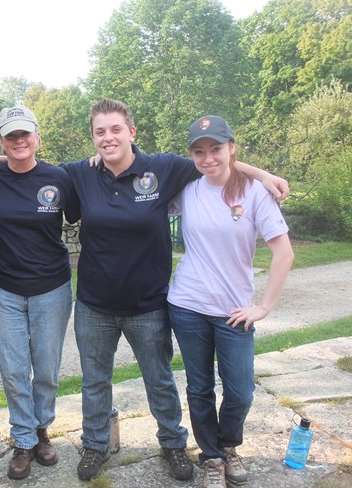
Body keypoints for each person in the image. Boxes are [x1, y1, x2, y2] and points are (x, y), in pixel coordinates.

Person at [0, 98, 288, 483]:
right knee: (94, 381)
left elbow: (214, 161)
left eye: (115, 129)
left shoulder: (163, 168)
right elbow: (33, 170)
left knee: (159, 379)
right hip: (94, 303)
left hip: (149, 303)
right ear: (92, 138)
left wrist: (263, 174)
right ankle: (95, 446)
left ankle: (173, 444)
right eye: (100, 131)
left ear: (132, 132)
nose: (108, 138)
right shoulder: (80, 174)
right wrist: (0, 158)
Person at [167, 115, 294, 488]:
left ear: (232, 148)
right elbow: (138, 175)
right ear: (191, 155)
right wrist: (98, 161)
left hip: (235, 312)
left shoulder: (255, 192)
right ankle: (211, 457)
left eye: (216, 149)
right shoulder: (186, 188)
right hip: (187, 305)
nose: (208, 158)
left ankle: (228, 445)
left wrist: (263, 307)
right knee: (199, 386)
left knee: (240, 391)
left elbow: (283, 253)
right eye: (199, 151)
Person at [0, 106, 80, 479]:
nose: (19, 141)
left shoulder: (59, 177)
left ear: (36, 137)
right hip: (4, 287)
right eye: (11, 136)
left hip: (51, 286)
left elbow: (82, 209)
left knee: (47, 368)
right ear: (2, 140)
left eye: (25, 135)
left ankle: (41, 430)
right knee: (14, 369)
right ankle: (22, 440)